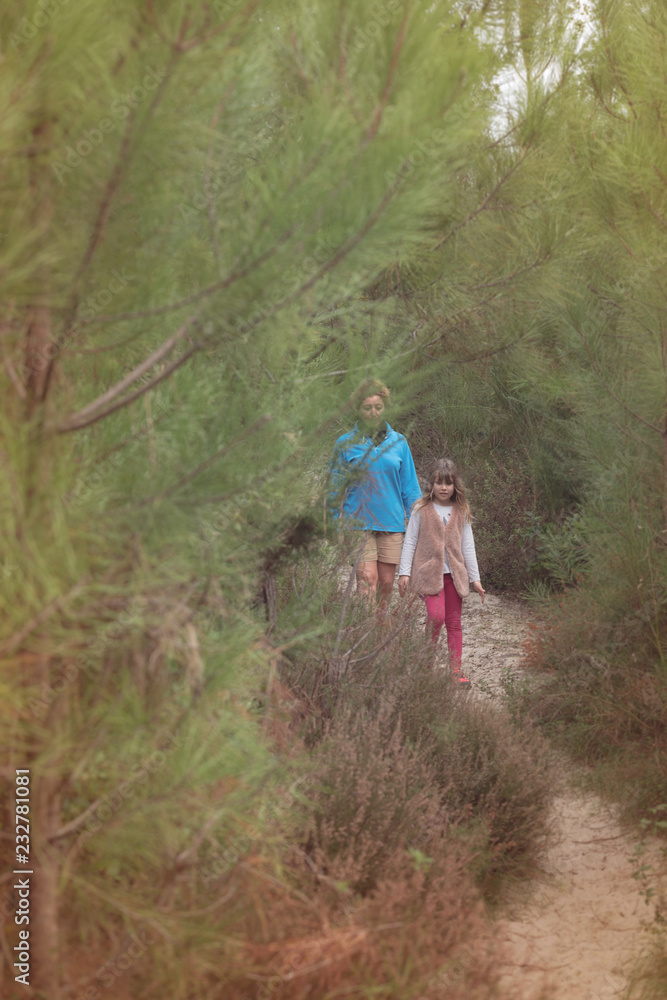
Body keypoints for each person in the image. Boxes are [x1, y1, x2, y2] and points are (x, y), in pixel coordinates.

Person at [328, 378, 421, 606]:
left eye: (378, 407)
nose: (373, 412)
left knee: (386, 584)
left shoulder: (399, 442)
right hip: (357, 523)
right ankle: (363, 633)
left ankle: (379, 636)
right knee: (367, 580)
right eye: (367, 408)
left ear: (385, 407)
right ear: (358, 409)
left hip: (392, 523)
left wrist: (422, 520)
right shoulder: (345, 443)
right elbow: (334, 486)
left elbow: (409, 486)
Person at [397, 458, 485, 686]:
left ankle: (456, 671)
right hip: (428, 575)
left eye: (448, 483)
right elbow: (410, 542)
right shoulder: (421, 509)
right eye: (438, 483)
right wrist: (404, 572)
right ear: (431, 485)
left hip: (454, 576)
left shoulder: (461, 510)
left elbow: (468, 545)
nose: (443, 488)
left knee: (454, 621)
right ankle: (426, 665)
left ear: (455, 485)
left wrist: (475, 579)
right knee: (436, 617)